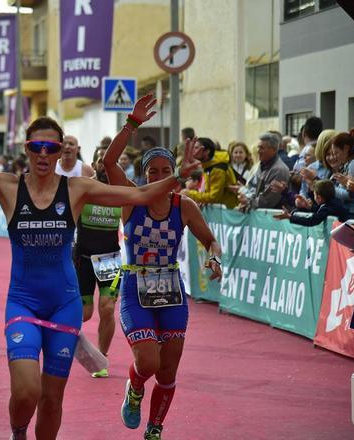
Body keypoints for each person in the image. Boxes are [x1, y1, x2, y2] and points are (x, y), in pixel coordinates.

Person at [0, 92, 200, 440]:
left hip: (64, 306)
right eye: (36, 147)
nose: (44, 155)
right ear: (26, 149)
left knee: (52, 400)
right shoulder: (6, 186)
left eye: (52, 149)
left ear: (60, 152)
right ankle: (17, 432)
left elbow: (139, 196)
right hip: (24, 303)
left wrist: (176, 174)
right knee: (26, 392)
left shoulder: (76, 189)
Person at [103, 109, 222, 440]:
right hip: (134, 287)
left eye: (165, 171)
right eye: (152, 172)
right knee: (149, 361)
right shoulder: (131, 200)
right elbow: (110, 164)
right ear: (142, 177)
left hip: (171, 290)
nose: (158, 176)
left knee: (168, 368)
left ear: (175, 174)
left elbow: (211, 242)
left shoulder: (184, 206)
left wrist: (216, 261)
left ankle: (155, 427)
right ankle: (136, 388)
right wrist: (132, 125)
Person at [73, 146, 121, 379]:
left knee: (108, 308)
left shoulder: (120, 190)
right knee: (84, 314)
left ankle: (101, 357)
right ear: (94, 163)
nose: (104, 164)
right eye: (100, 160)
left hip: (110, 260)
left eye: (108, 160)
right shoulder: (84, 189)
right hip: (83, 258)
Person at [181, 137, 238, 209]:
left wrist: (189, 194)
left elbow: (213, 197)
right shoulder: (208, 165)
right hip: (219, 211)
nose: (193, 151)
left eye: (196, 148)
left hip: (227, 213)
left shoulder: (217, 169)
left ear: (206, 151)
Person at [273, 179, 348, 225]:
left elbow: (311, 221)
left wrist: (290, 217)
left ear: (318, 197)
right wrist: (309, 207)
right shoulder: (334, 202)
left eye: (314, 194)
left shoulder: (327, 208)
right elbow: (319, 210)